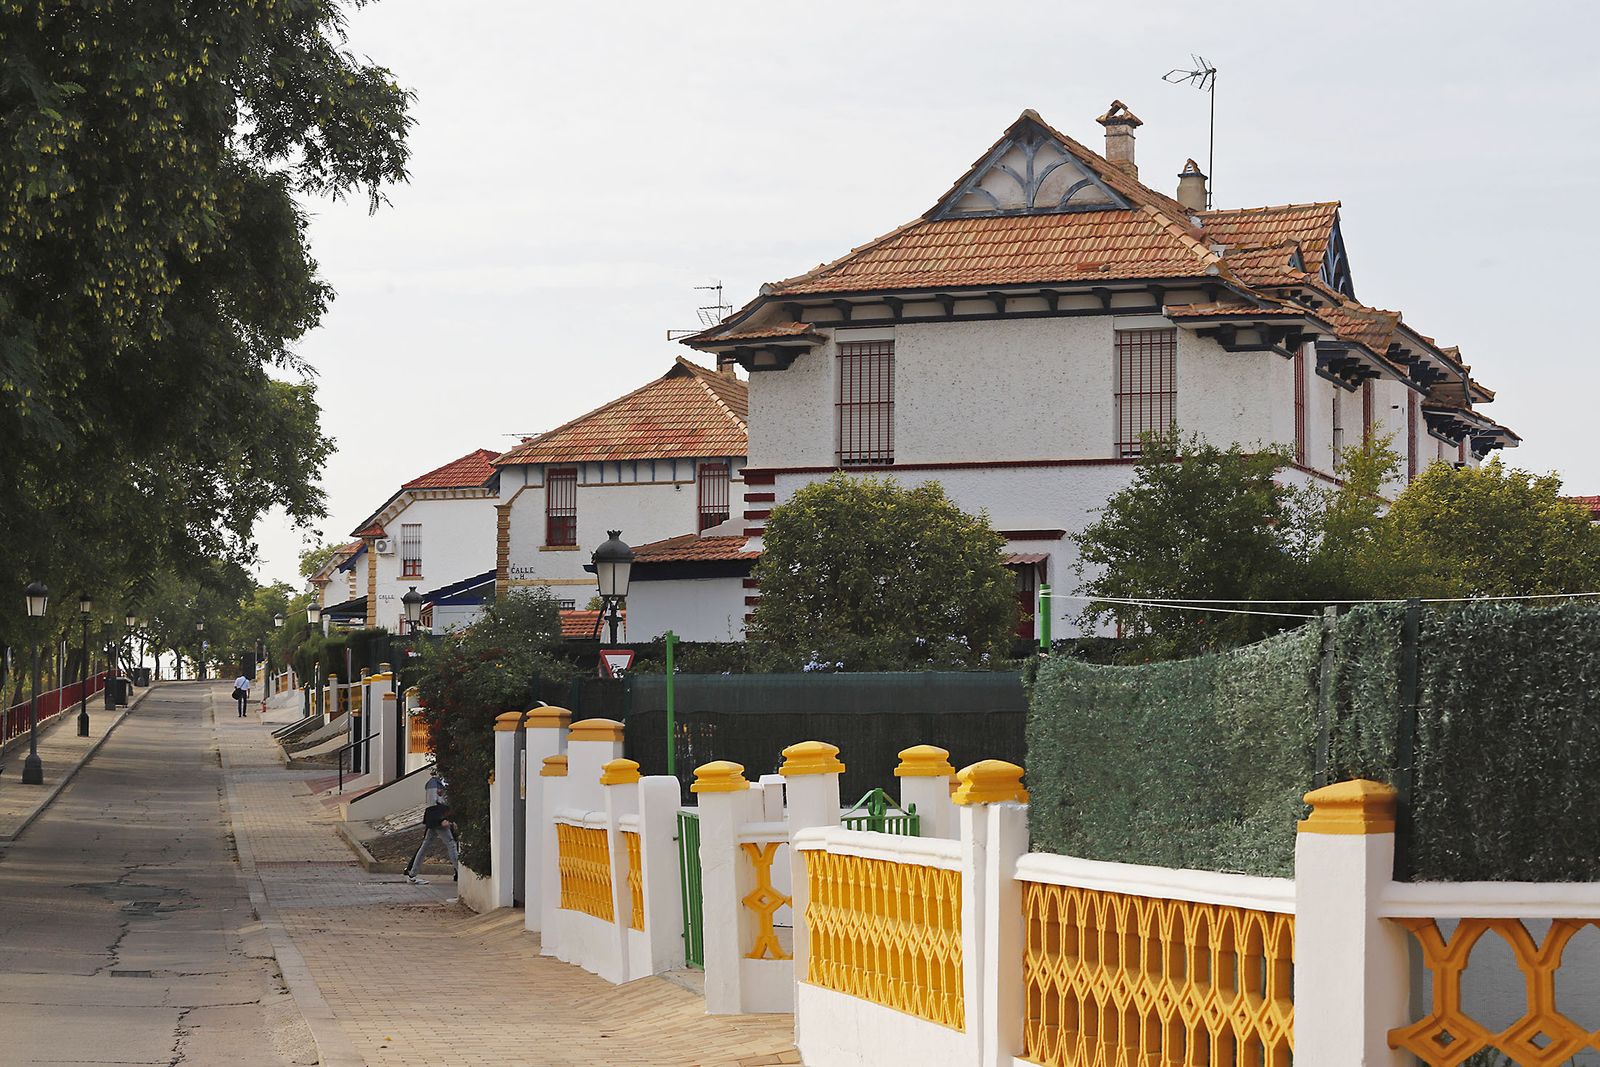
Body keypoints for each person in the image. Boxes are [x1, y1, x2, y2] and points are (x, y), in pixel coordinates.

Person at [406, 796, 459, 884]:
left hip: (434, 820)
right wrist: (442, 819)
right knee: (451, 844)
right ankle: (460, 872)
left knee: (425, 846)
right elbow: (436, 803)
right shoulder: (436, 785)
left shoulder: (434, 785)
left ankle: (412, 875)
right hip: (439, 819)